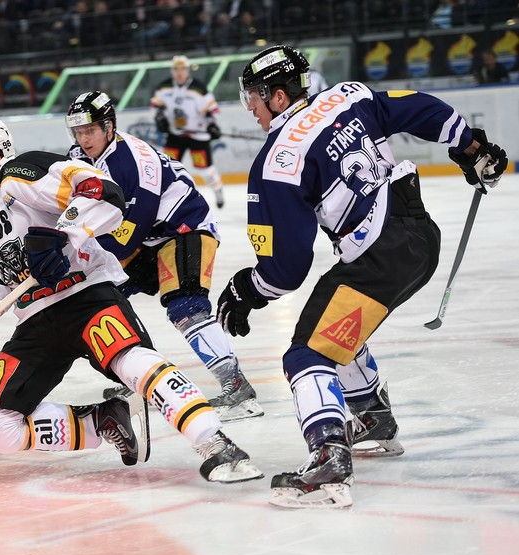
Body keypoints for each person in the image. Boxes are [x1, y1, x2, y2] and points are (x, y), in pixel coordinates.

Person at [217, 45, 508, 508]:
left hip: (379, 253)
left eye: (252, 96)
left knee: (305, 355)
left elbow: (285, 270)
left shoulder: (276, 162)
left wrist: (246, 290)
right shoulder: (348, 96)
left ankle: (330, 459)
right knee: (337, 322)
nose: (249, 106)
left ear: (276, 95)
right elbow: (422, 107)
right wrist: (471, 147)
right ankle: (373, 418)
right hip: (419, 236)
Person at [0, 116, 264, 484]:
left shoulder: (21, 173)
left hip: (87, 295)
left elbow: (101, 189)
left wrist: (64, 235)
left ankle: (216, 444)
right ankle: (102, 420)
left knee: (133, 363)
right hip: (37, 319)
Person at [65, 90, 262, 422]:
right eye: (78, 132)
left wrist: (76, 254)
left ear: (109, 127)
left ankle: (238, 387)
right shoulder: (79, 156)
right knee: (102, 302)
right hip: (149, 236)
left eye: (90, 131)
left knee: (185, 305)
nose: (84, 139)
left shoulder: (134, 164)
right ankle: (140, 376)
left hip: (185, 228)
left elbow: (128, 237)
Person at [150, 55, 225, 209]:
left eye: (183, 68)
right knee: (167, 168)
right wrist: (159, 118)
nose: (180, 72)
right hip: (175, 134)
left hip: (198, 135)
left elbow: (213, 110)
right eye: (176, 69)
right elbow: (155, 106)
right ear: (172, 70)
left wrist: (212, 125)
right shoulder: (164, 88)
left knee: (204, 170)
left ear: (187, 69)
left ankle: (218, 190)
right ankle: (167, 201)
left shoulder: (198, 88)